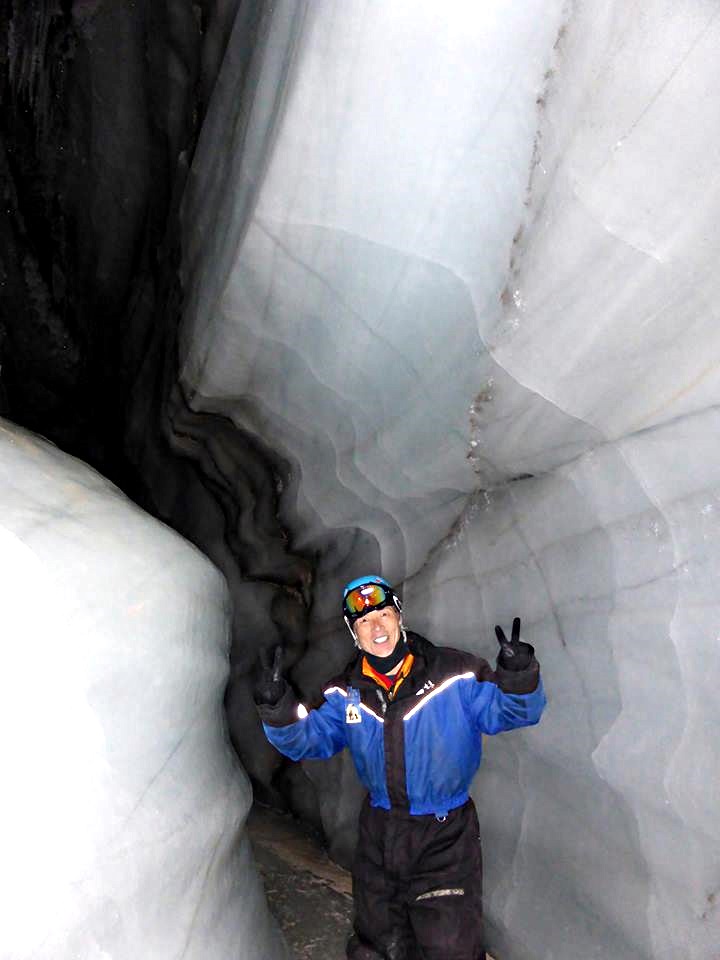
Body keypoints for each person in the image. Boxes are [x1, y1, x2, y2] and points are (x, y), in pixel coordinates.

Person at [253, 574, 546, 960]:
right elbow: (310, 739)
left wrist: (519, 674)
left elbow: (512, 712)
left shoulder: (455, 675)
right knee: (379, 941)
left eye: (383, 614)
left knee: (449, 945)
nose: (376, 627)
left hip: (444, 835)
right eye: (363, 622)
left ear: (399, 617)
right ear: (354, 634)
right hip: (380, 830)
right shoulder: (346, 693)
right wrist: (276, 706)